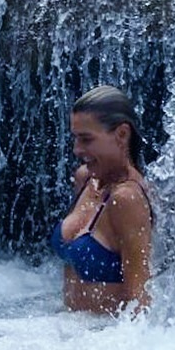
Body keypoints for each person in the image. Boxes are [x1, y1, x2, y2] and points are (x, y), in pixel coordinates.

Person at [49, 85, 154, 314]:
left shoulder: (127, 199)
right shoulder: (85, 178)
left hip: (102, 338)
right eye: (75, 138)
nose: (77, 149)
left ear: (122, 135)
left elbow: (140, 302)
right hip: (66, 331)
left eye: (86, 139)